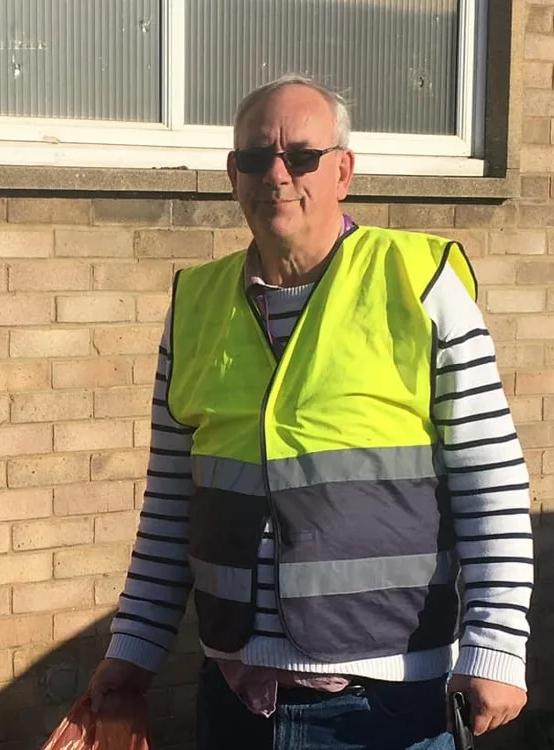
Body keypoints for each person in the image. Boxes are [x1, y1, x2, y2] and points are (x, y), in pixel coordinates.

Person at [87, 75, 533, 749]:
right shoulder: (196, 305)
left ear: (343, 171)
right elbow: (172, 503)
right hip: (234, 701)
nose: (276, 174)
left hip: (384, 709)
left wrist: (495, 646)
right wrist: (134, 648)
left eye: (301, 156)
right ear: (232, 175)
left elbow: (491, 481)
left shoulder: (420, 282)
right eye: (254, 157)